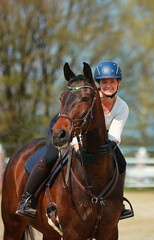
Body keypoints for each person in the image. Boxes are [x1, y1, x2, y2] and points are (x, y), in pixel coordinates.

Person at [16, 61, 132, 219]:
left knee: (121, 162)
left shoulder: (122, 106)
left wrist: (111, 145)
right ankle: (27, 199)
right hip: (67, 127)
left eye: (112, 81)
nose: (108, 85)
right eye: (104, 82)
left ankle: (118, 202)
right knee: (51, 156)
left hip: (101, 138)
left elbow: (115, 133)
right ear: (98, 83)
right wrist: (78, 151)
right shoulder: (89, 96)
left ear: (118, 82)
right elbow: (77, 123)